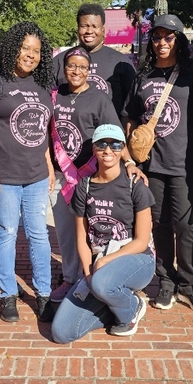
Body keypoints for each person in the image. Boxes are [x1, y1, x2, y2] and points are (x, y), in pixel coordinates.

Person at [0, 21, 54, 322]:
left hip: (35, 175)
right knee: (6, 234)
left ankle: (44, 294)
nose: (30, 55)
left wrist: (48, 165)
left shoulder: (42, 85)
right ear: (12, 48)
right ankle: (8, 295)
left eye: (36, 50)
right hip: (4, 175)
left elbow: (40, 128)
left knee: (38, 234)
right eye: (25, 48)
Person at [123, 15, 193, 313]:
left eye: (169, 37)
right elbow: (130, 116)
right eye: (157, 37)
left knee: (185, 227)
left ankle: (188, 285)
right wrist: (134, 152)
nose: (162, 42)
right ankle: (166, 283)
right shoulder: (142, 76)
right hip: (152, 166)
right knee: (158, 225)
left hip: (184, 164)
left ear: (179, 40)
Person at [49, 47, 142, 311]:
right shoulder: (55, 96)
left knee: (95, 231)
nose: (76, 71)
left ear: (89, 70)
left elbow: (116, 136)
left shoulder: (100, 98)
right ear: (64, 68)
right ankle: (70, 278)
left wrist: (130, 162)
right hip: (62, 175)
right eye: (71, 66)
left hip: (91, 174)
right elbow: (45, 135)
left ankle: (97, 278)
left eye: (82, 67)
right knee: (67, 232)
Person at [51, 124, 156, 343]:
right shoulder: (84, 187)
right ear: (94, 150)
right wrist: (88, 274)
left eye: (115, 144)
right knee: (62, 332)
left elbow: (142, 240)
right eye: (102, 144)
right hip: (99, 266)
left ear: (122, 148)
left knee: (102, 284)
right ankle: (111, 305)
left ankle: (131, 309)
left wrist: (105, 262)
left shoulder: (134, 185)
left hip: (136, 258)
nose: (108, 150)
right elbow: (81, 237)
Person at [52, 3, 136, 115]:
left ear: (103, 29)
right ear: (77, 28)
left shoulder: (121, 63)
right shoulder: (59, 61)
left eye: (94, 26)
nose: (89, 31)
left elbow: (132, 105)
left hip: (108, 130)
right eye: (84, 26)